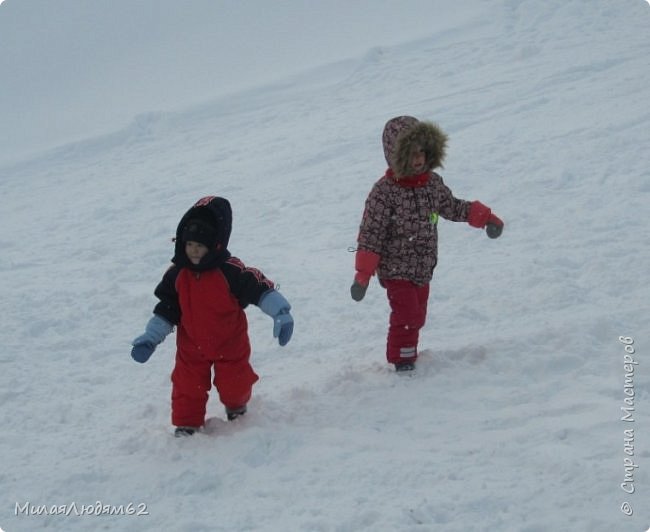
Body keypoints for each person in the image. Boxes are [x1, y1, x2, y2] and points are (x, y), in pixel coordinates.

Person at [131, 196, 294, 436]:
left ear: (215, 244)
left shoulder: (230, 271)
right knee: (187, 386)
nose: (194, 250)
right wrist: (150, 338)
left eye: (200, 245)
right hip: (191, 348)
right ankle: (187, 424)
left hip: (230, 344)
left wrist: (280, 311)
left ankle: (236, 407)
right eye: (189, 244)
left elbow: (259, 288)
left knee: (235, 383)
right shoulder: (176, 275)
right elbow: (166, 310)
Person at [350, 116, 503, 372]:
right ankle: (403, 361)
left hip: (423, 267)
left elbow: (452, 207)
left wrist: (485, 217)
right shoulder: (384, 193)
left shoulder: (432, 184)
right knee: (407, 315)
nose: (418, 159)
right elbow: (370, 234)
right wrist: (363, 275)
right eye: (410, 154)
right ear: (395, 156)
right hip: (396, 269)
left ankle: (409, 351)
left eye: (421, 151)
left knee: (417, 315)